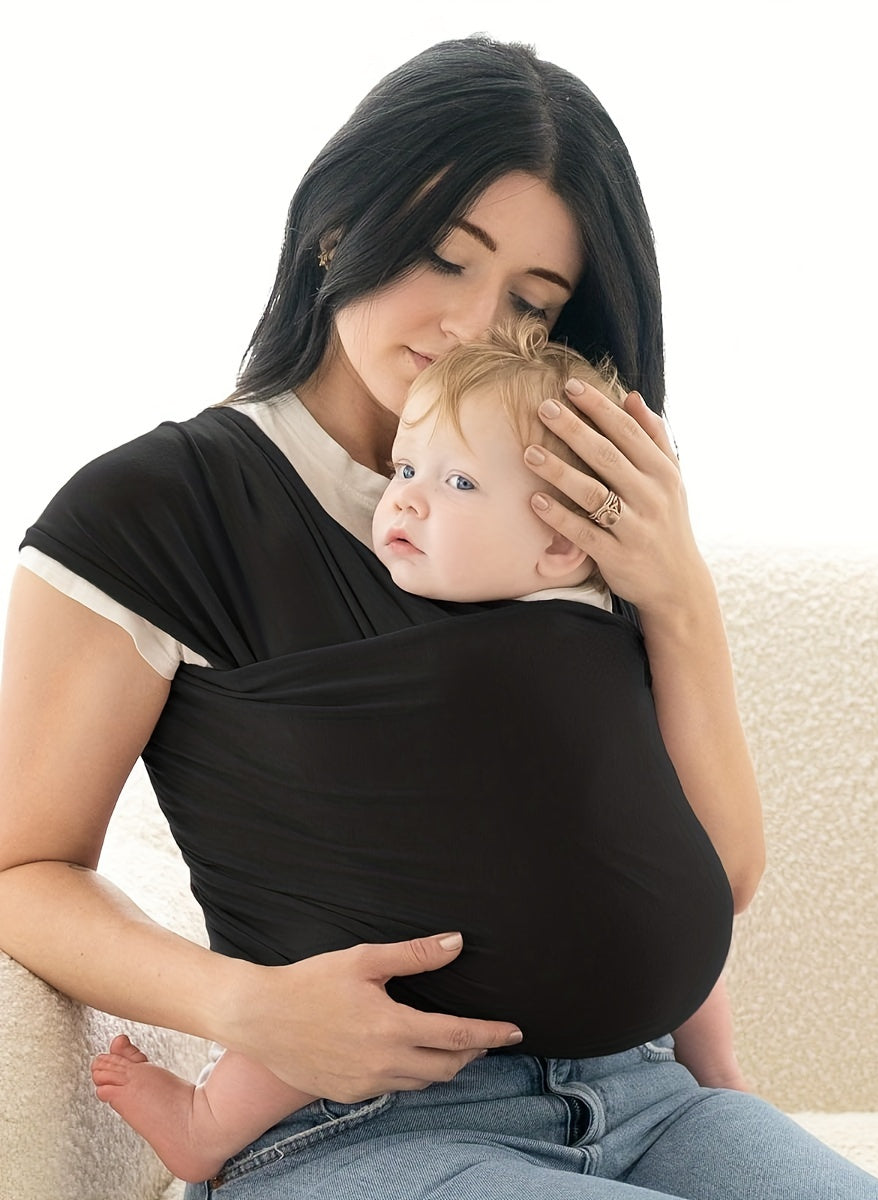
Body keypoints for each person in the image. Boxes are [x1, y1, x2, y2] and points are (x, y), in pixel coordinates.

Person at [0, 36, 878, 1199]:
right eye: (444, 257)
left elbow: (718, 875)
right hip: (355, 1126)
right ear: (338, 228)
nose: (477, 324)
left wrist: (678, 590)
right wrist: (247, 1008)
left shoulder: (566, 511)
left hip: (648, 1098)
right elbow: (21, 866)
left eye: (533, 302)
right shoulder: (158, 509)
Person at [88, 317, 750, 1184]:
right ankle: (208, 1121)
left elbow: (682, 856)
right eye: (404, 468)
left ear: (561, 541)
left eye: (458, 481)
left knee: (659, 888)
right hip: (378, 1063)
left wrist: (716, 1068)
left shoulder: (612, 636)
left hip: (649, 1072)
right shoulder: (387, 654)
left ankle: (723, 1074)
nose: (403, 499)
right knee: (359, 946)